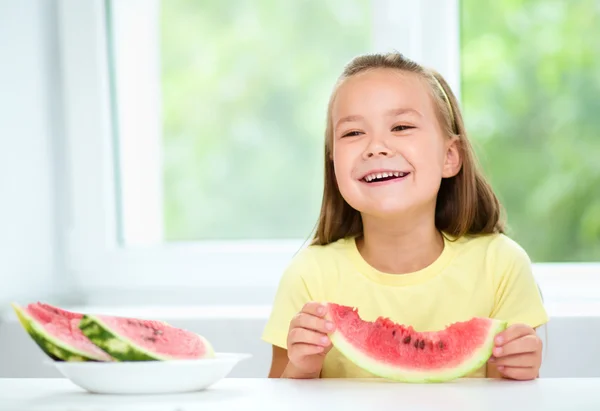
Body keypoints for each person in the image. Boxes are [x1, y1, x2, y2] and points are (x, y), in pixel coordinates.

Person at [261, 52, 548, 381]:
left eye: (401, 127)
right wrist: (301, 367)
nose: (376, 147)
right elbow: (277, 395)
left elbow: (507, 396)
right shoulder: (309, 275)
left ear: (450, 157)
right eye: (353, 133)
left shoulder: (500, 266)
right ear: (333, 161)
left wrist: (518, 368)